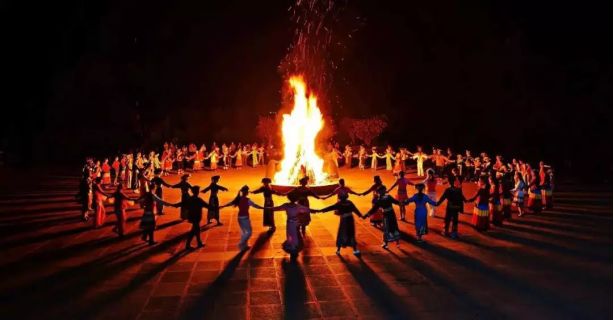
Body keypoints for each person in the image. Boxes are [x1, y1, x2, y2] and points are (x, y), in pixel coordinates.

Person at [266, 193, 310, 261]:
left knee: (290, 235)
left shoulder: (286, 205)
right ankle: (294, 250)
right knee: (295, 236)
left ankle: (292, 249)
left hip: (290, 223)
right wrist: (318, 210)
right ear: (296, 199)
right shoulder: (298, 206)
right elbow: (308, 210)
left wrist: (267, 208)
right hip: (295, 224)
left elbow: (276, 208)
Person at [222, 185, 265, 251]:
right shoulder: (248, 200)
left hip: (239, 217)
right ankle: (241, 243)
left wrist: (222, 206)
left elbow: (230, 203)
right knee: (249, 232)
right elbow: (255, 206)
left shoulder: (238, 199)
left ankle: (244, 246)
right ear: (247, 192)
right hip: (245, 218)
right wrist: (263, 208)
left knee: (244, 231)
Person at [170, 185, 210, 250]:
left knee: (197, 230)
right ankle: (188, 245)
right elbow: (207, 205)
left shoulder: (190, 199)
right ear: (197, 192)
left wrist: (175, 205)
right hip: (196, 217)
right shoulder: (198, 199)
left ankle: (198, 242)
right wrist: (216, 207)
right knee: (193, 231)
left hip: (192, 216)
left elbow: (182, 203)